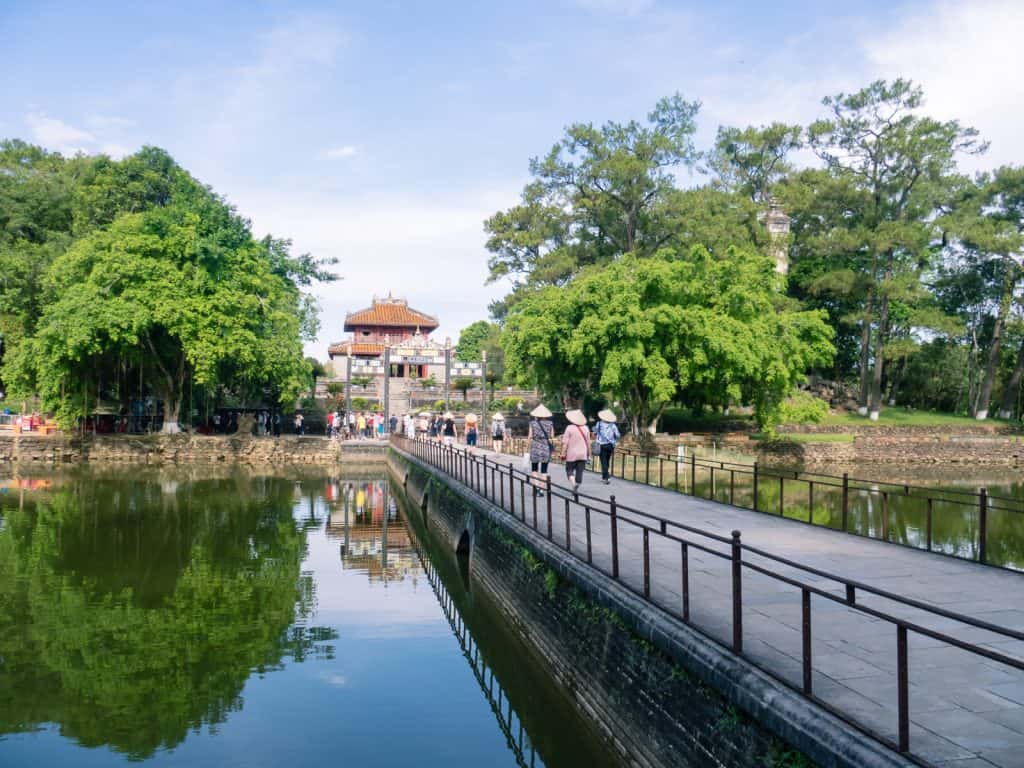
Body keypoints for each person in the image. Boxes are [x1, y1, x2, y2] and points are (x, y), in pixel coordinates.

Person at [561, 409, 591, 493]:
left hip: (572, 454)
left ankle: (573, 483)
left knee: (569, 469)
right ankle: (577, 483)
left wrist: (563, 453)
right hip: (583, 454)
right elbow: (588, 443)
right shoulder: (586, 428)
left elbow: (565, 443)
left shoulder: (569, 428)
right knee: (579, 471)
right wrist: (589, 454)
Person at [528, 405, 554, 493]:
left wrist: (529, 446)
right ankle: (542, 489)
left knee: (534, 469)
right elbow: (552, 436)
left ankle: (537, 486)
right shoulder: (550, 423)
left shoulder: (532, 423)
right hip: (545, 447)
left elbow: (530, 436)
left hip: (535, 447)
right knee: (544, 470)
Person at [594, 409, 621, 484]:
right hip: (610, 445)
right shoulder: (613, 425)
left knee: (603, 461)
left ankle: (606, 477)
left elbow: (595, 432)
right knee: (607, 461)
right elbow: (618, 435)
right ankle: (605, 476)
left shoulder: (598, 423)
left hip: (601, 445)